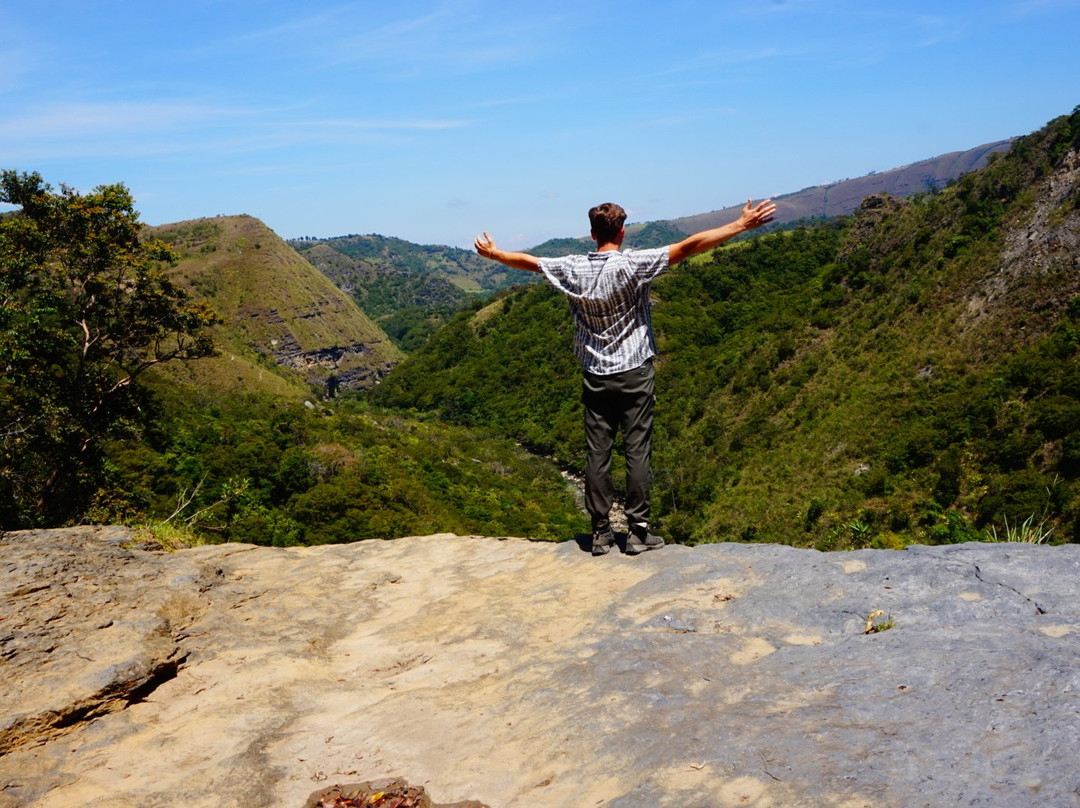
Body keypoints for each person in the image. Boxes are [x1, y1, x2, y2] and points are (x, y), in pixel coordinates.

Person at [474, 198, 776, 555]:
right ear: (622, 231)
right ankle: (638, 532)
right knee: (637, 451)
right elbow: (690, 245)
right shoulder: (634, 263)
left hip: (595, 375)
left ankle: (600, 532)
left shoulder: (572, 267)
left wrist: (495, 254)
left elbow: (530, 263)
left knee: (597, 453)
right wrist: (740, 226)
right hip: (634, 371)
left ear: (592, 234)